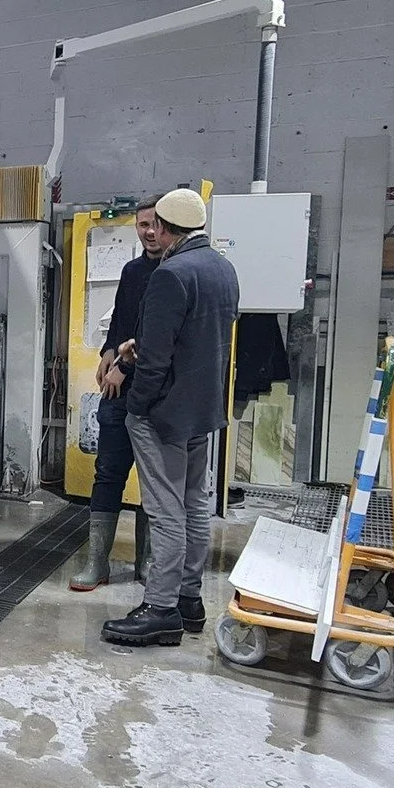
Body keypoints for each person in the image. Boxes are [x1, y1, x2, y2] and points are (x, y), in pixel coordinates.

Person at [100, 186, 240, 647]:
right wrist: (133, 348)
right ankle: (188, 601)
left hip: (163, 414)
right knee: (195, 503)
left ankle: (160, 609)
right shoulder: (222, 268)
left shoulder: (170, 274)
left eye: (152, 225)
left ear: (162, 227)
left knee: (165, 512)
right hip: (202, 410)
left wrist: (136, 406)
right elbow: (198, 340)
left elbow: (157, 360)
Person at [72, 195, 170, 591]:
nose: (150, 232)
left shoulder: (176, 273)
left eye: (156, 224)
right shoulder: (132, 271)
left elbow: (157, 339)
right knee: (108, 474)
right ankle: (97, 563)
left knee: (153, 480)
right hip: (119, 395)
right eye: (143, 224)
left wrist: (123, 367)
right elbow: (121, 322)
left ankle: (148, 564)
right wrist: (108, 352)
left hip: (157, 395)